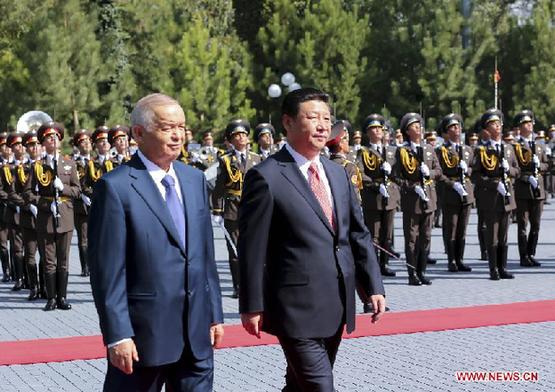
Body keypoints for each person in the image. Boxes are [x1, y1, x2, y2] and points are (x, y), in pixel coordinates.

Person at [238, 88, 386, 391]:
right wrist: (251, 304)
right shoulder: (266, 176)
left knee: (298, 385)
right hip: (293, 307)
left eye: (326, 119)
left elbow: (356, 232)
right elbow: (251, 248)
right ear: (288, 122)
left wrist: (372, 285)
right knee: (320, 386)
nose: (322, 125)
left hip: (336, 301)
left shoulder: (337, 172)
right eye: (312, 117)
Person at [89, 93, 224, 391]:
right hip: (143, 338)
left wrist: (214, 312)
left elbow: (204, 256)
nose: (178, 136)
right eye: (167, 128)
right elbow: (108, 273)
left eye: (181, 127)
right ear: (138, 133)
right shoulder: (116, 187)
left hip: (196, 334)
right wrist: (118, 335)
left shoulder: (194, 180)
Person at [24, 122, 81, 311]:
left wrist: (62, 188)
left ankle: (62, 297)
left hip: (65, 216)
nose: (53, 140)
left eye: (56, 137)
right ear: (43, 143)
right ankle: (51, 298)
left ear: (60, 140)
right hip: (46, 218)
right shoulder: (38, 167)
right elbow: (28, 193)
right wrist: (46, 203)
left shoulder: (69, 163)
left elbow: (77, 191)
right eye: (49, 137)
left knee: (63, 260)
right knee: (49, 260)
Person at [211, 119, 261, 299]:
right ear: (231, 140)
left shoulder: (256, 159)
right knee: (234, 251)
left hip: (253, 209)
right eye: (236, 135)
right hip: (232, 209)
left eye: (244, 134)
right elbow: (219, 187)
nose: (241, 138)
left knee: (254, 248)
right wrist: (217, 210)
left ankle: (253, 284)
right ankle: (238, 286)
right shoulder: (225, 160)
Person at [392, 113, 442, 286]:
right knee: (412, 239)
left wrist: (430, 173)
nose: (419, 128)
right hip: (412, 200)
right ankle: (412, 274)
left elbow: (439, 171)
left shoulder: (428, 148)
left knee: (426, 237)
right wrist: (411, 187)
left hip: (429, 198)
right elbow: (396, 176)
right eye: (414, 126)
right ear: (407, 130)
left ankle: (422, 272)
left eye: (419, 125)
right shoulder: (402, 151)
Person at [471, 109, 520, 280]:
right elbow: (476, 175)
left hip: (506, 195)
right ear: (486, 129)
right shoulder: (481, 150)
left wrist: (510, 170)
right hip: (491, 197)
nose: (497, 126)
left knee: (504, 235)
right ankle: (493, 269)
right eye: (493, 123)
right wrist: (493, 184)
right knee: (493, 234)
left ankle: (503, 267)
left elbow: (517, 170)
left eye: (499, 123)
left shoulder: (508, 148)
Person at [356, 114, 400, 278]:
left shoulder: (392, 151)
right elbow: (360, 173)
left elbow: (399, 174)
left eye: (380, 128)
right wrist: (375, 185)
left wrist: (393, 181)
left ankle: (385, 264)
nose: (378, 131)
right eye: (374, 128)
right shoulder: (364, 152)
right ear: (368, 132)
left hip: (389, 197)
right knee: (373, 235)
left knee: (387, 234)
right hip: (373, 198)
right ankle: (373, 267)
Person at [436, 114, 474, 272]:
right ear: (446, 132)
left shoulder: (467, 149)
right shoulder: (441, 150)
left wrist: (468, 169)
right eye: (452, 127)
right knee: (451, 227)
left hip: (466, 192)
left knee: (462, 229)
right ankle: (451, 260)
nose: (456, 129)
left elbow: (475, 168)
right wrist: (453, 184)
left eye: (458, 126)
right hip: (450, 193)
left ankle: (460, 259)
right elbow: (439, 173)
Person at [512, 110, 548, 267]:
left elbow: (548, 165)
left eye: (531, 123)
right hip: (523, 188)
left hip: (538, 189)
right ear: (520, 126)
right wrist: (526, 177)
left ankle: (531, 252)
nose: (530, 125)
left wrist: (540, 165)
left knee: (536, 224)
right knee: (522, 224)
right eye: (526, 123)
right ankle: (523, 256)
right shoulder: (515, 146)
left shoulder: (539, 145)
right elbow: (513, 167)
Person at [72, 129, 93, 277]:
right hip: (81, 206)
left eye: (88, 141)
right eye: (82, 142)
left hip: (97, 204)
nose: (86, 144)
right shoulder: (73, 163)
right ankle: (85, 267)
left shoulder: (97, 161)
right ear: (78, 146)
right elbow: (73, 184)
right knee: (83, 238)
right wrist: (81, 196)